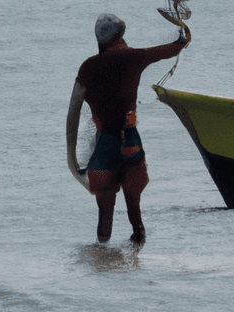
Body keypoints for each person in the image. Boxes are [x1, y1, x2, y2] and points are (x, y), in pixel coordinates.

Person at [68, 13, 191, 244]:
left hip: (104, 140)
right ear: (119, 35)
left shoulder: (87, 67)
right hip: (129, 136)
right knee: (133, 199)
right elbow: (169, 50)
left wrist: (71, 159)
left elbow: (73, 111)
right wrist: (184, 38)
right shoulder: (134, 57)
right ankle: (137, 249)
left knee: (105, 204)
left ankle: (102, 254)